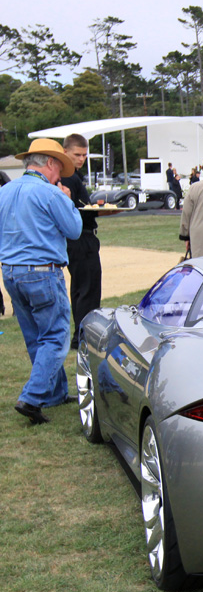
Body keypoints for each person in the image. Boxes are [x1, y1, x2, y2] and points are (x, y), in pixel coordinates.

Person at [0, 139, 82, 425]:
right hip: (42, 271)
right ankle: (32, 398)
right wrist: (68, 200)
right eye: (59, 168)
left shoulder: (5, 191)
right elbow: (74, 230)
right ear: (49, 163)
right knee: (56, 336)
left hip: (10, 271)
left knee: (36, 336)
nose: (60, 175)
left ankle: (55, 393)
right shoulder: (51, 193)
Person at [61, 133, 101, 350]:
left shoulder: (73, 176)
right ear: (65, 152)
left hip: (78, 237)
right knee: (88, 288)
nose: (81, 159)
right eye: (77, 154)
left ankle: (81, 334)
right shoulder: (68, 178)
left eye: (84, 155)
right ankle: (83, 335)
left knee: (80, 287)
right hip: (80, 238)